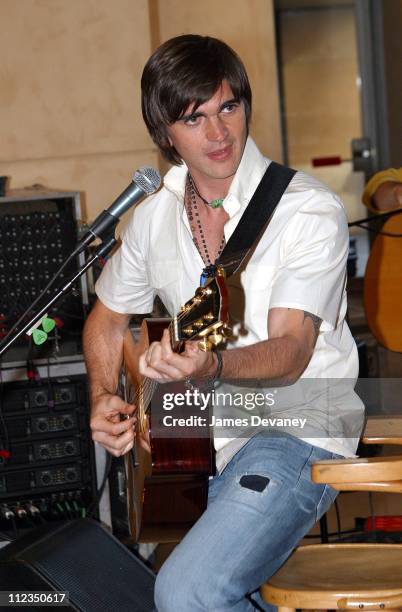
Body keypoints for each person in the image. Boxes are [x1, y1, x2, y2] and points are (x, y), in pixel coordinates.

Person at [83, 35, 364, 612]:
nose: (218, 133)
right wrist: (103, 395)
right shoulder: (152, 219)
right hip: (192, 441)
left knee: (188, 592)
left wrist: (213, 365)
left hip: (295, 428)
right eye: (194, 118)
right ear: (165, 133)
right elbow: (109, 320)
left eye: (228, 108)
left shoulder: (306, 210)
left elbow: (291, 350)